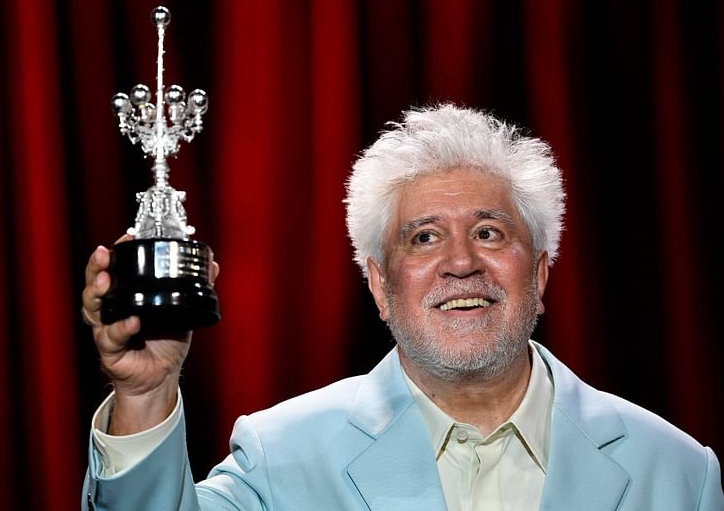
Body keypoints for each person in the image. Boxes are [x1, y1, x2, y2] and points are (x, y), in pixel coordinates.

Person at [81, 104, 724, 510]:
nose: (461, 261)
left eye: (490, 232)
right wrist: (145, 396)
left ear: (543, 274)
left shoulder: (677, 473)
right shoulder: (280, 458)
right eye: (423, 237)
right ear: (380, 286)